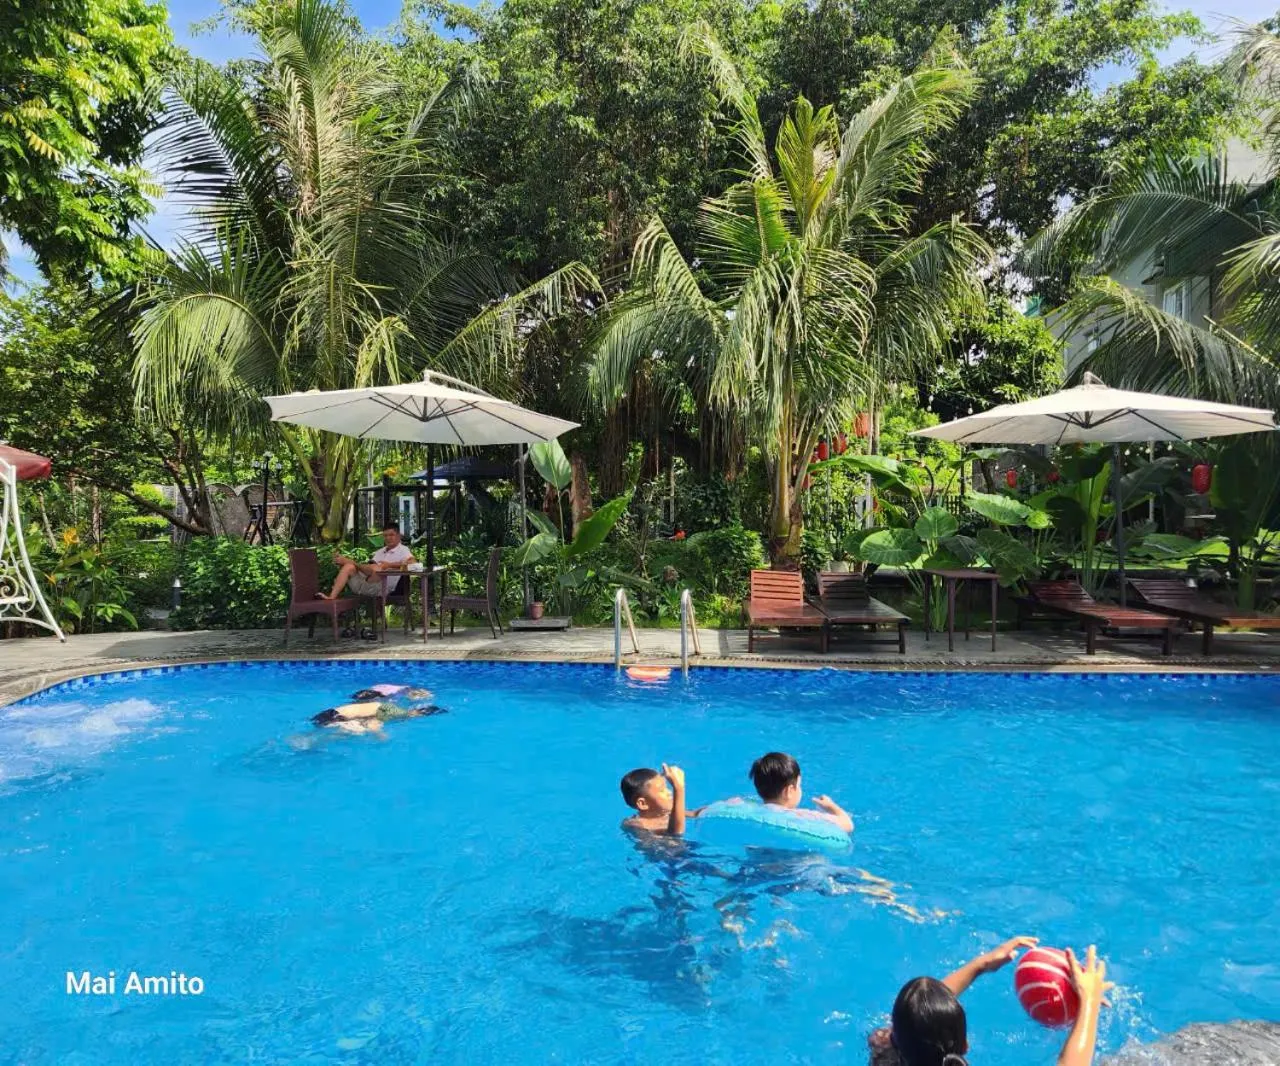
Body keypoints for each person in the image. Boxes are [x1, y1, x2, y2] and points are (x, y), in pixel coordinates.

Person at [869, 938, 1114, 1066]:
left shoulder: (883, 1052)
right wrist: (1089, 1001)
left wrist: (980, 965)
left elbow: (917, 1017)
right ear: (965, 1045)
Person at [748, 751, 854, 833]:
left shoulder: (752, 811)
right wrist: (831, 807)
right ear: (789, 791)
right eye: (799, 785)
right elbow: (848, 824)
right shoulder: (803, 817)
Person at [321, 523, 415, 599]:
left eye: (391, 535)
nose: (388, 538)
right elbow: (368, 570)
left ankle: (351, 562)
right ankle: (331, 597)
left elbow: (413, 564)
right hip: (365, 584)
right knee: (349, 567)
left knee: (377, 568)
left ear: (399, 536)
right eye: (385, 535)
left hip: (383, 588)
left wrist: (389, 565)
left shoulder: (403, 550)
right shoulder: (380, 552)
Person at [620, 764, 688, 836]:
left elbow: (692, 814)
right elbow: (675, 833)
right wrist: (678, 788)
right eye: (662, 790)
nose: (669, 792)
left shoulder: (665, 811)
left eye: (666, 787)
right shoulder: (637, 824)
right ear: (643, 804)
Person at [311, 700, 444, 736]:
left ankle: (310, 739)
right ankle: (309, 741)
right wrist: (381, 735)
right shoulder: (395, 711)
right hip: (333, 717)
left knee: (355, 727)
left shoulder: (391, 707)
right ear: (419, 713)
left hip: (326, 715)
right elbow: (373, 724)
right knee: (359, 732)